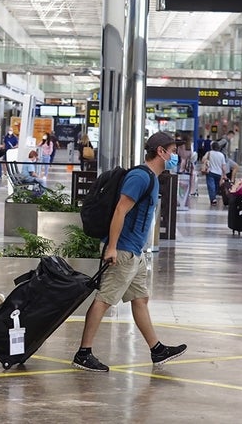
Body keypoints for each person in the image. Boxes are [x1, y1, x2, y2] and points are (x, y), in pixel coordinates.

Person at [72, 131, 186, 372]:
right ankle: (84, 353)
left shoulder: (153, 178)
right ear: (161, 152)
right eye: (173, 151)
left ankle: (157, 350)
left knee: (140, 298)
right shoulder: (140, 177)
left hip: (136, 251)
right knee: (104, 300)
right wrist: (112, 247)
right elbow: (120, 211)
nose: (176, 156)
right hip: (122, 250)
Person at [201, 141, 227, 206]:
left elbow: (203, 160)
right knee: (216, 187)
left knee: (211, 186)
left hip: (210, 172)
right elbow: (223, 166)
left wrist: (206, 160)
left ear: (212, 147)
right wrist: (224, 174)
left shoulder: (209, 153)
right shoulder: (221, 155)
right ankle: (214, 197)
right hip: (219, 173)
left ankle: (213, 199)